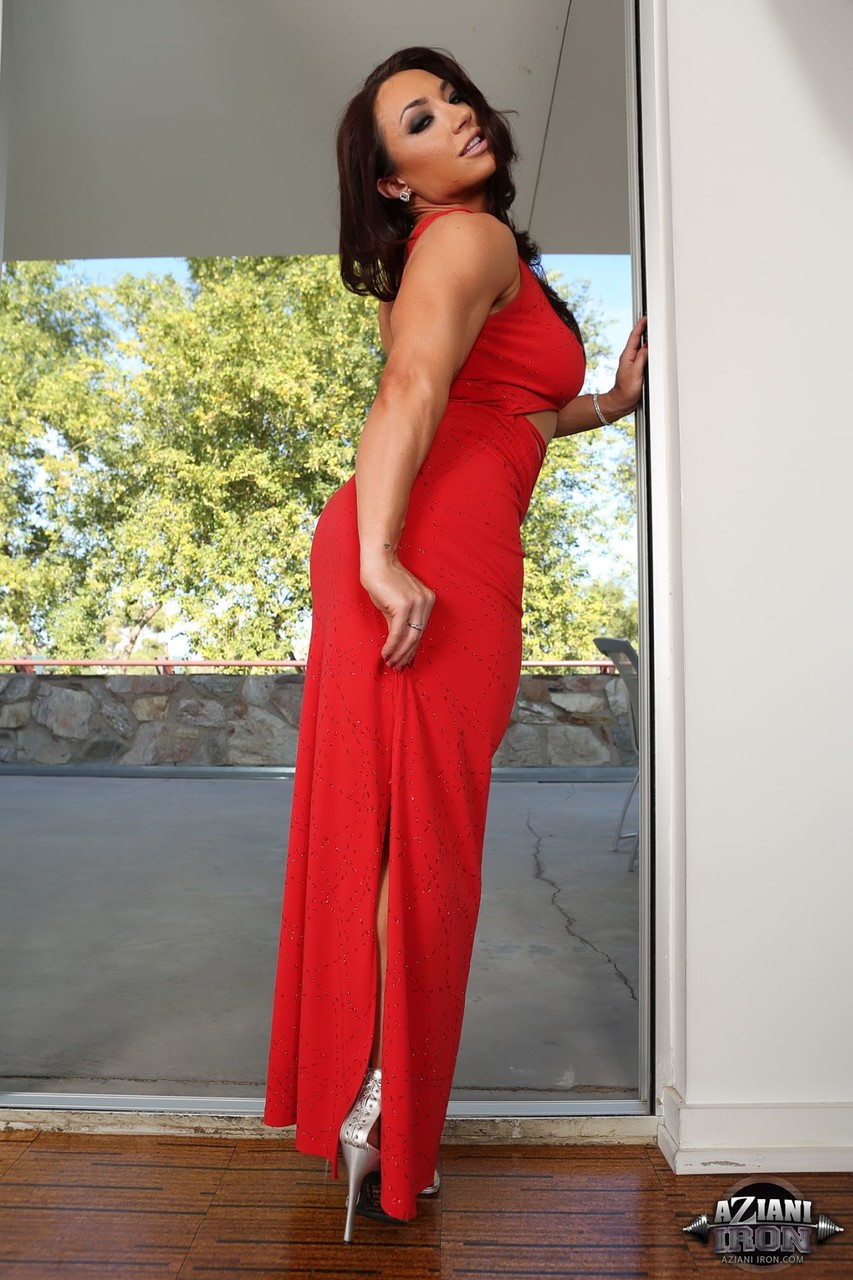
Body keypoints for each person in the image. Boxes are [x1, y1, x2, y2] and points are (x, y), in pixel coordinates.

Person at [263, 45, 647, 1242]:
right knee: (422, 846)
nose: (459, 117)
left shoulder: (463, 250)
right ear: (393, 180)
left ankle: (372, 1108)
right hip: (428, 554)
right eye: (420, 120)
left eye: (453, 98)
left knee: (392, 837)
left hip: (426, 539)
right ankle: (381, 1110)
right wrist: (382, 556)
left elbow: (500, 411)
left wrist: (608, 403)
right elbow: (411, 393)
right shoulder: (464, 239)